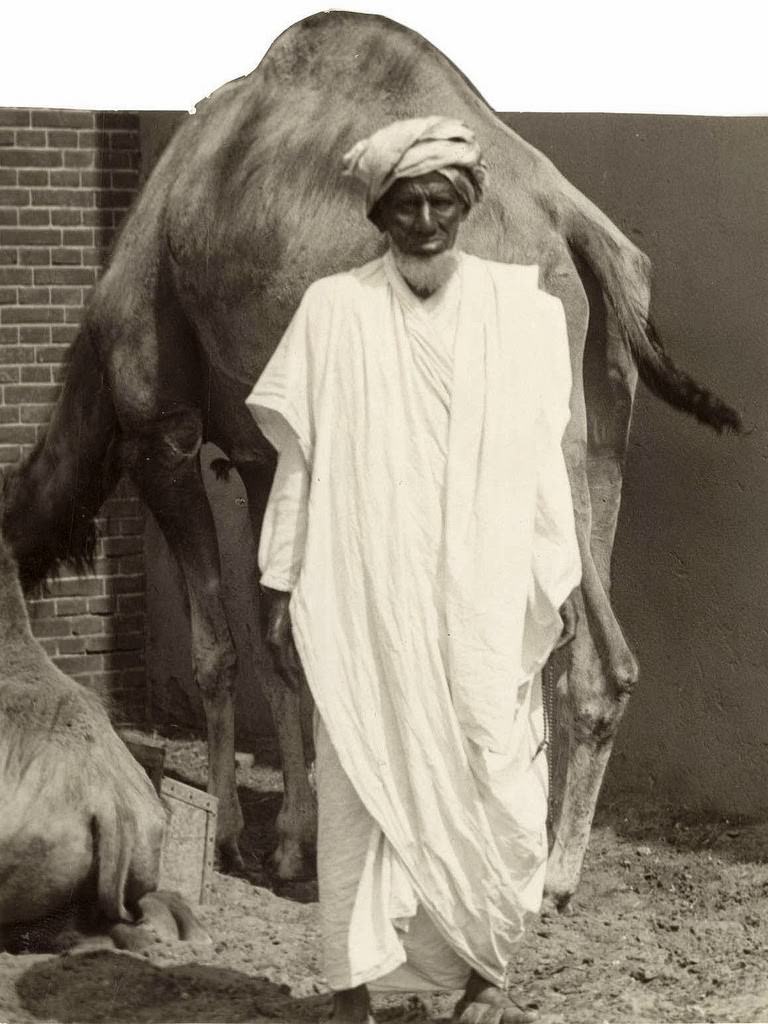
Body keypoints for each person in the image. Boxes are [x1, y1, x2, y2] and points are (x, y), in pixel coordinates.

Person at [246, 116, 581, 1024]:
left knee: (493, 777)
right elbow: (301, 464)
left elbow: (545, 460)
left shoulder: (522, 312)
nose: (426, 220)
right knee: (359, 774)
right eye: (407, 205)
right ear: (380, 213)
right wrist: (280, 579)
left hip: (481, 593)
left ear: (466, 207)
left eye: (442, 201)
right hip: (368, 593)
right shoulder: (334, 311)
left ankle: (481, 980)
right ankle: (357, 986)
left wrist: (561, 577)